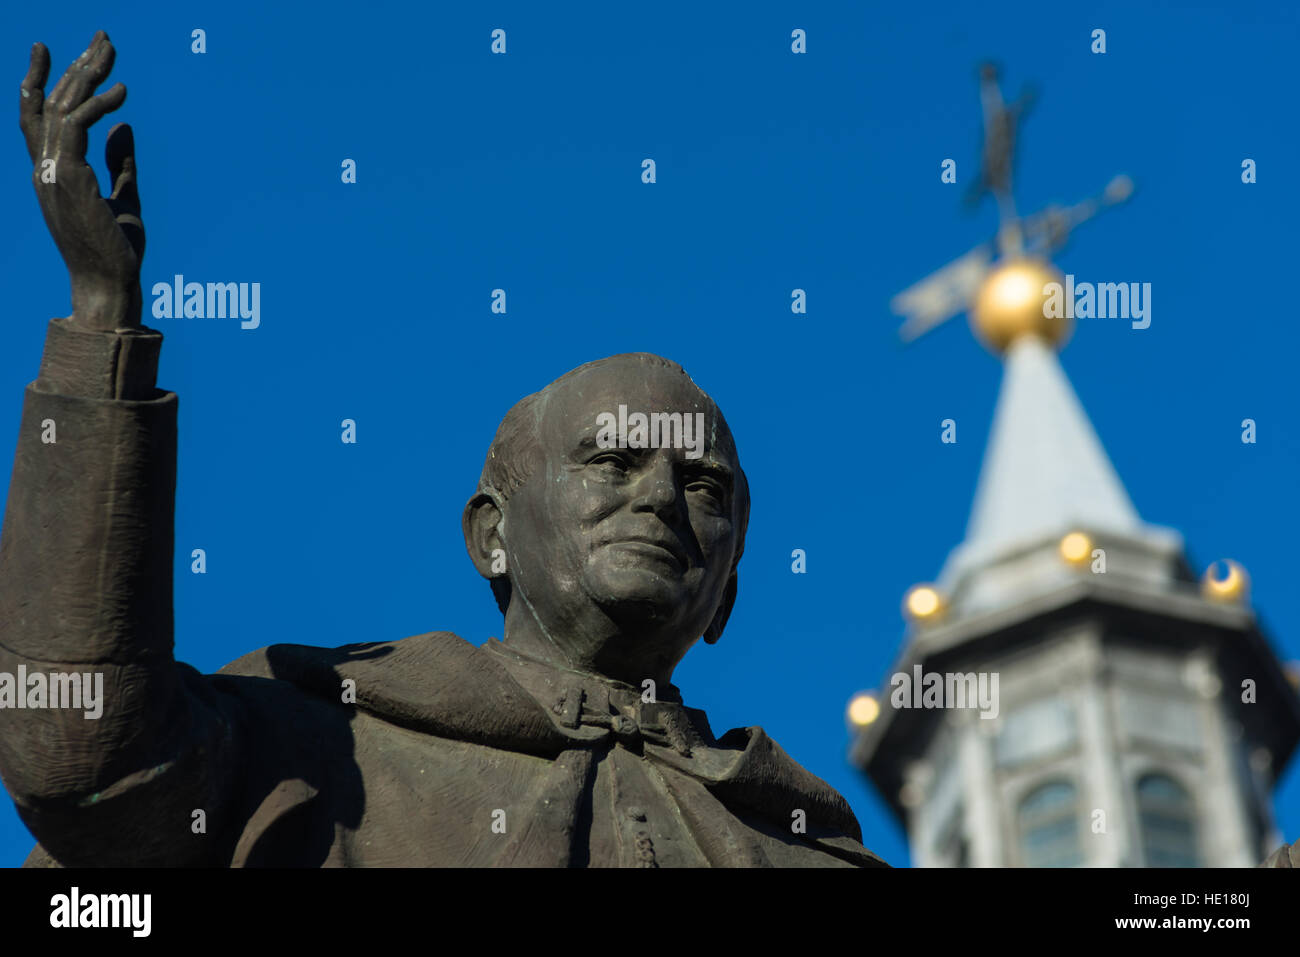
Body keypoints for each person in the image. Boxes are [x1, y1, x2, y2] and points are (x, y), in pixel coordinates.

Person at [0, 31, 886, 868]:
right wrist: (101, 323)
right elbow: (85, 761)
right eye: (612, 462)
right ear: (489, 535)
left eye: (703, 487)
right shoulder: (317, 740)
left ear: (727, 593)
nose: (659, 496)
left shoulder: (800, 848)